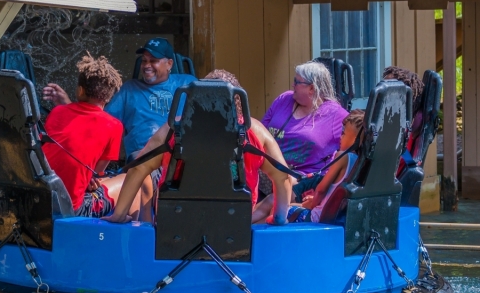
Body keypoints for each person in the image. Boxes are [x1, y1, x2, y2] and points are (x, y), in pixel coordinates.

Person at [104, 69, 295, 226]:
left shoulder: (172, 130)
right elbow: (283, 177)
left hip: (175, 222)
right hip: (233, 224)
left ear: (197, 97)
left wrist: (119, 215)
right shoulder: (255, 132)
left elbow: (138, 168)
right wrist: (278, 218)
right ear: (237, 98)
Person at [42, 38, 196, 162]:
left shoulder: (187, 82)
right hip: (143, 157)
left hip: (182, 154)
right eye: (144, 61)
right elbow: (98, 122)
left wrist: (219, 78)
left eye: (153, 60)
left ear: (169, 64)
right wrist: (68, 105)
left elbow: (211, 104)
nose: (147, 66)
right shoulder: (129, 89)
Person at [40, 55, 133, 219]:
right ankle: (136, 227)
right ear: (109, 96)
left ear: (81, 90)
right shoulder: (114, 126)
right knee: (130, 180)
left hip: (42, 200)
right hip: (72, 209)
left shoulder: (57, 112)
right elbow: (97, 171)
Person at [261, 61, 349, 201]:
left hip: (301, 182)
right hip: (266, 173)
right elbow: (260, 132)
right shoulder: (284, 99)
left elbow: (354, 142)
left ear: (312, 88)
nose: (292, 85)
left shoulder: (335, 114)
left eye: (297, 81)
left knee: (270, 204)